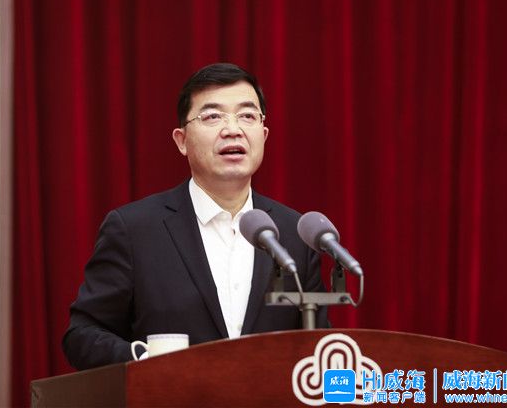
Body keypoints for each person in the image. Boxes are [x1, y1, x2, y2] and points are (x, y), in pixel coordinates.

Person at [63, 63, 328, 370]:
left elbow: (322, 348)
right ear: (182, 140)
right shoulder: (135, 230)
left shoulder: (295, 234)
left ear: (264, 135)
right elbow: (82, 335)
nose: (233, 129)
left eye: (247, 115)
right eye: (212, 116)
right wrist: (149, 363)